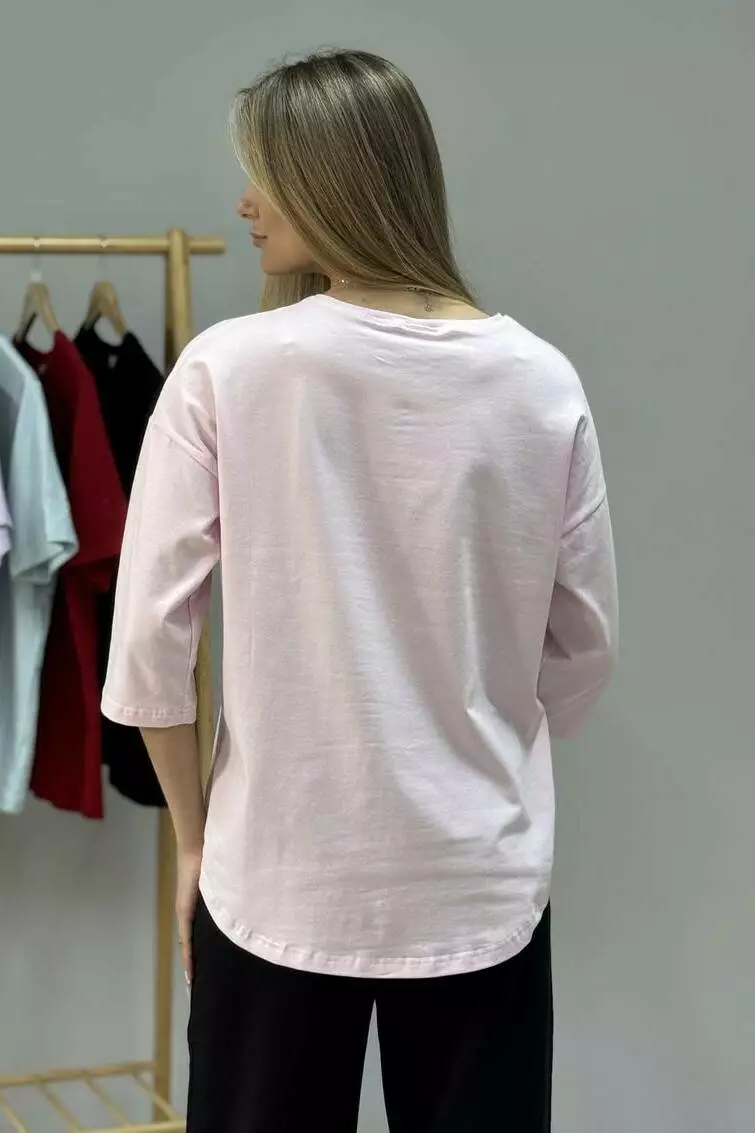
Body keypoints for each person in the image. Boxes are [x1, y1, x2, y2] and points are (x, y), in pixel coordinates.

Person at [102, 48, 618, 1133]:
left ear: (333, 180)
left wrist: (196, 841)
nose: (244, 203)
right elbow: (580, 653)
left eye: (265, 174)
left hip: (277, 874)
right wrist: (481, 753)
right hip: (478, 880)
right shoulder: (539, 381)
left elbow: (150, 647)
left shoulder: (228, 370)